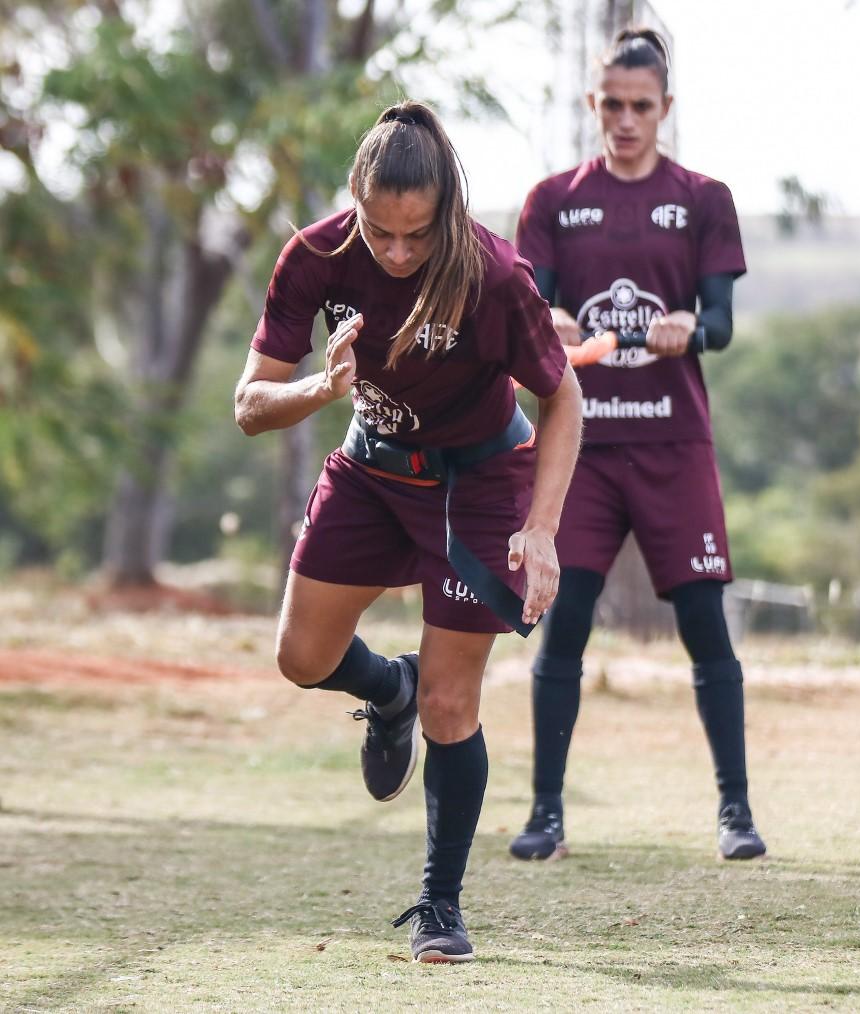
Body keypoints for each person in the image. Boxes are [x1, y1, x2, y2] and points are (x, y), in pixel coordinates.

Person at [233, 101, 583, 961]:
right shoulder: (315, 255)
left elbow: (562, 396)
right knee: (302, 659)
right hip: (372, 468)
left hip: (476, 484)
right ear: (355, 198)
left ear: (449, 210)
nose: (395, 251)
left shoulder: (494, 276)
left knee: (450, 703)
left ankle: (440, 907)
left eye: (415, 236)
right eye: (379, 231)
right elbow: (249, 405)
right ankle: (385, 690)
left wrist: (540, 528)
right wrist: (320, 390)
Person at [508, 27, 765, 863]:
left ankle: (735, 813)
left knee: (703, 622)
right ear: (594, 104)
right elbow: (528, 312)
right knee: (565, 621)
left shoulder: (702, 198)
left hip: (672, 444)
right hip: (577, 446)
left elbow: (721, 323)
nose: (624, 120)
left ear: (666, 110)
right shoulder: (551, 202)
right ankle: (545, 815)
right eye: (611, 105)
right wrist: (547, 320)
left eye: (640, 107)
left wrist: (690, 327)